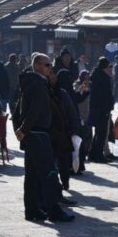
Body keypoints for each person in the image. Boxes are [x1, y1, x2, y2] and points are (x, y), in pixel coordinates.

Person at [14, 54, 74, 223]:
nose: (50, 68)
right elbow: (35, 109)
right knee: (49, 173)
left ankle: (32, 210)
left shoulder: (28, 82)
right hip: (39, 133)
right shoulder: (38, 83)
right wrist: (23, 129)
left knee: (32, 175)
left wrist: (21, 129)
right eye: (47, 65)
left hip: (31, 134)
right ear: (38, 66)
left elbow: (17, 107)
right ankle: (54, 211)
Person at [48, 70, 80, 204]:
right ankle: (56, 190)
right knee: (52, 163)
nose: (52, 77)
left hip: (62, 132)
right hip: (48, 133)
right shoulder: (43, 92)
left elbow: (72, 113)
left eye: (54, 74)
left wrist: (74, 130)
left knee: (63, 160)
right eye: (50, 75)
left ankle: (65, 182)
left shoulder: (62, 93)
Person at [88, 57, 115, 163]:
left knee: (98, 133)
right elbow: (105, 95)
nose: (110, 68)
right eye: (108, 66)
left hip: (96, 108)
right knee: (102, 133)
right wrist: (107, 108)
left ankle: (93, 154)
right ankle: (98, 155)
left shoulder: (95, 75)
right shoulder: (104, 77)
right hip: (102, 109)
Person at [73, 70, 91, 174]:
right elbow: (77, 96)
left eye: (88, 77)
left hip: (88, 115)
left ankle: (82, 162)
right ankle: (79, 165)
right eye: (85, 77)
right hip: (80, 116)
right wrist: (82, 88)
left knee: (88, 140)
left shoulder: (90, 86)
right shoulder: (76, 84)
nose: (87, 79)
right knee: (81, 142)